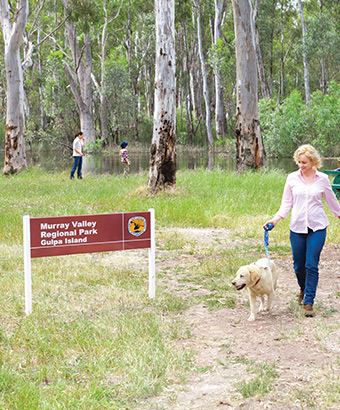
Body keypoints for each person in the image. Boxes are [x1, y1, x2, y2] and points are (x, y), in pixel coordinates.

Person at [264, 144, 340, 317]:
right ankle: (303, 287)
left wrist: (339, 216)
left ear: (313, 162)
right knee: (299, 266)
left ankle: (309, 301)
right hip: (297, 227)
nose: (300, 165)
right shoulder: (292, 178)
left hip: (317, 226)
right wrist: (275, 220)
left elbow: (332, 202)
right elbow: (286, 204)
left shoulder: (322, 179)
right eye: (298, 162)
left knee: (311, 264)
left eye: (304, 162)